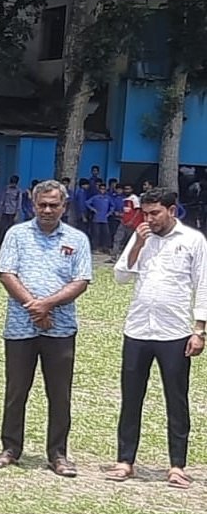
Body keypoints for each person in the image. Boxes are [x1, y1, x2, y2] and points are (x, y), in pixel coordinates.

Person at [106, 188, 207, 488]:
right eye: (146, 213)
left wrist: (199, 330)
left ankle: (177, 466)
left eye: (155, 213)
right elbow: (121, 276)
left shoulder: (193, 240)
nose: (149, 219)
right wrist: (138, 243)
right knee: (131, 398)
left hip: (174, 333)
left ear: (171, 211)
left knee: (176, 400)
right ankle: (125, 461)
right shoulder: (142, 237)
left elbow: (203, 285)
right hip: (137, 330)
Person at [0, 180, 91, 478]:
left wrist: (47, 305)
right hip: (20, 328)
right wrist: (34, 308)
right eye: (42, 204)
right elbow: (6, 274)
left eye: (53, 205)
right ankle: (10, 448)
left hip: (60, 330)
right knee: (16, 390)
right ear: (33, 205)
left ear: (64, 206)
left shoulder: (77, 239)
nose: (47, 210)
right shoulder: (17, 234)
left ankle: (58, 454)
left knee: (59, 394)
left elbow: (81, 281)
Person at [88, 182, 115, 253]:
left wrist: (109, 213)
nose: (102, 190)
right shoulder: (95, 197)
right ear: (99, 189)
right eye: (101, 189)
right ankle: (95, 248)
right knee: (96, 234)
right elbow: (87, 203)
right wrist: (93, 209)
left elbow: (112, 206)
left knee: (106, 233)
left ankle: (105, 248)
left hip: (105, 219)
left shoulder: (108, 198)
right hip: (96, 218)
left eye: (104, 189)